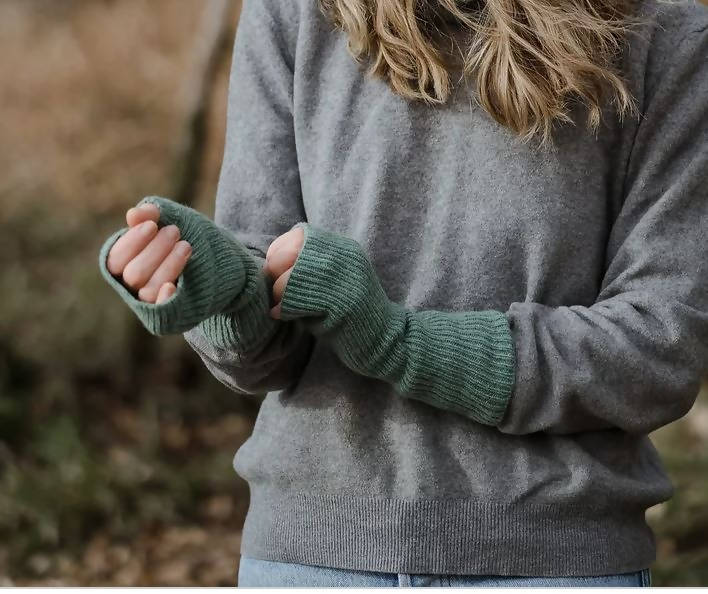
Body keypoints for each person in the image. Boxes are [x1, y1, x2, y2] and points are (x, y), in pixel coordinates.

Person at [98, 0, 708, 587]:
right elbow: (264, 348)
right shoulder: (294, 10)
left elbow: (657, 349)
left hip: (557, 561)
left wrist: (400, 342)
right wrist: (222, 290)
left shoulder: (667, 31)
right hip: (312, 559)